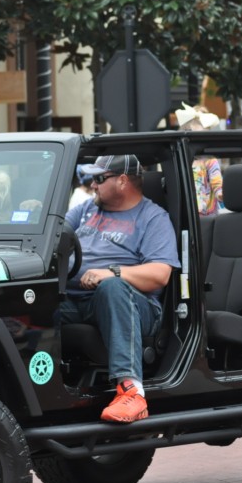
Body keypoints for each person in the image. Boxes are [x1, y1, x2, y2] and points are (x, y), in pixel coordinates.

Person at [58, 155, 180, 423]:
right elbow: (57, 235)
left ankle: (131, 391)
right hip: (76, 300)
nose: (92, 185)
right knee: (35, 301)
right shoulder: (86, 209)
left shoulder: (152, 218)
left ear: (122, 181)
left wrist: (111, 272)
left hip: (134, 306)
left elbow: (160, 275)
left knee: (112, 287)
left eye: (99, 179)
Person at [176, 103, 224, 215]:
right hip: (187, 218)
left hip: (208, 220)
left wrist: (223, 194)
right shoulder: (181, 160)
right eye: (193, 138)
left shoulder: (210, 161)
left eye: (201, 138)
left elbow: (217, 185)